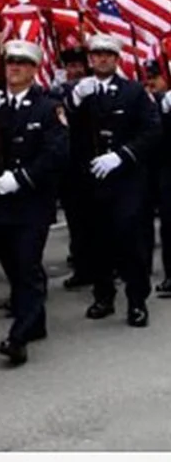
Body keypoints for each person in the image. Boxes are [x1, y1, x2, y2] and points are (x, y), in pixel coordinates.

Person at [0, 37, 70, 364]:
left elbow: (57, 151)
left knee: (27, 264)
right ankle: (36, 320)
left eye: (22, 63)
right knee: (12, 265)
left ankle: (19, 337)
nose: (14, 68)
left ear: (34, 70)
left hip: (32, 201)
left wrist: (22, 177)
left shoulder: (47, 106)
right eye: (10, 62)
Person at [68, 33, 159, 325]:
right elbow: (61, 128)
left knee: (131, 242)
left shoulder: (133, 92)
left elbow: (151, 131)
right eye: (96, 55)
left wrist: (122, 155)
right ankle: (103, 296)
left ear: (116, 59)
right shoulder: (80, 92)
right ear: (90, 59)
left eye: (108, 54)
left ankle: (136, 301)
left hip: (126, 180)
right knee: (97, 241)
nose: (102, 59)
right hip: (92, 180)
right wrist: (73, 100)